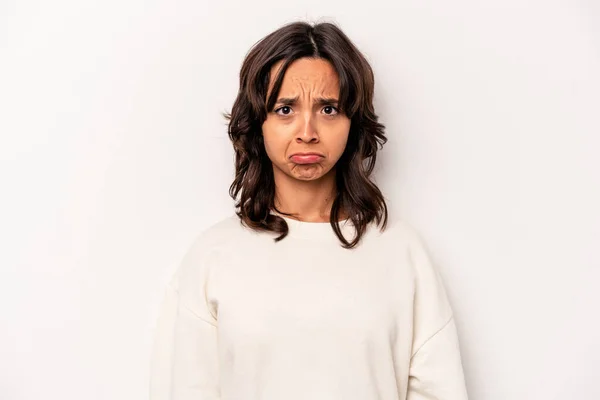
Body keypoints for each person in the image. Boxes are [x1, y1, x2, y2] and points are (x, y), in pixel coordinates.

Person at [149, 21, 468, 400]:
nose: (307, 131)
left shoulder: (401, 252)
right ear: (259, 122)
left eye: (328, 108)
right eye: (285, 109)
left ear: (353, 121)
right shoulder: (212, 258)